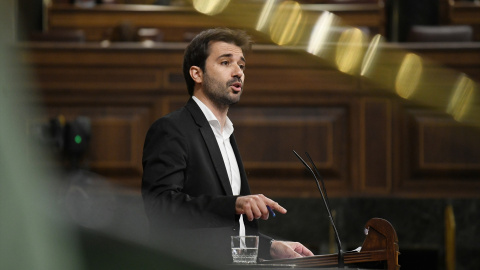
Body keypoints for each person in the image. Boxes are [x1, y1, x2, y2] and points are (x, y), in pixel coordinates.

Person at [142, 28, 314, 265]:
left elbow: (229, 231)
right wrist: (234, 203)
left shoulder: (226, 134)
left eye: (242, 66)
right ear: (197, 74)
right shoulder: (172, 129)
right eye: (225, 62)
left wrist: (271, 247)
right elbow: (160, 207)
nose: (238, 73)